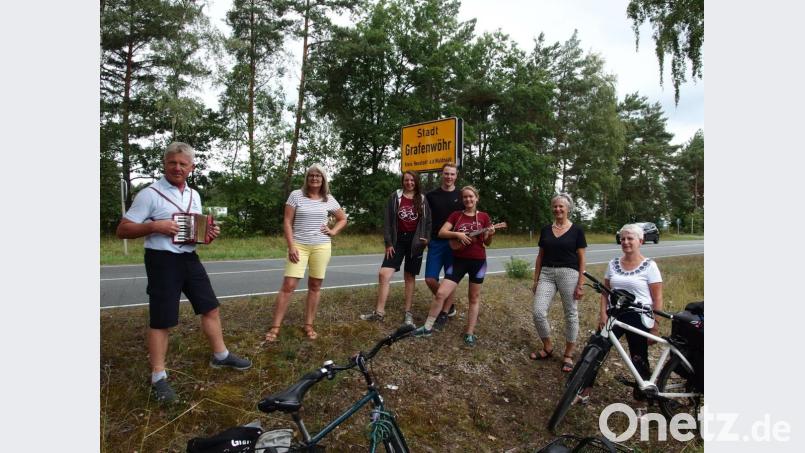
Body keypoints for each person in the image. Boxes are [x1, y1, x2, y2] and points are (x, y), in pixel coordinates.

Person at [116, 142, 252, 404]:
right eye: (172, 162)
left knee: (209, 307)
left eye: (183, 164)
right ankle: (158, 376)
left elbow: (193, 232)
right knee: (162, 319)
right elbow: (123, 230)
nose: (177, 168)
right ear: (165, 164)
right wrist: (155, 226)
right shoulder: (150, 194)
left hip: (189, 258)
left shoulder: (194, 195)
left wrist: (207, 235)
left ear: (191, 167)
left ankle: (220, 356)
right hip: (161, 261)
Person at [264, 164, 348, 342]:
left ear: (323, 179)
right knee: (289, 285)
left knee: (315, 286)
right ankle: (275, 326)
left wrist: (333, 231)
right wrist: (291, 245)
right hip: (299, 246)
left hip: (321, 246)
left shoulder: (329, 199)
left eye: (318, 176)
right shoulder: (296, 195)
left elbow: (342, 218)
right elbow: (287, 221)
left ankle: (308, 324)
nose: (315, 178)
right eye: (311, 175)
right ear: (307, 178)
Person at [413, 186, 496, 347]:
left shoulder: (484, 217)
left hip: (478, 262)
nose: (468, 200)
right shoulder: (456, 215)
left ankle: (469, 333)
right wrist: (457, 234)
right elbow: (442, 233)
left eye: (471, 197)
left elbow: (487, 242)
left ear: (476, 198)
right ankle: (427, 327)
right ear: (462, 199)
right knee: (441, 294)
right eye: (465, 197)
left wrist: (490, 234)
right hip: (458, 261)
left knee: (473, 298)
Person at [360, 171, 431, 325]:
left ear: (416, 181)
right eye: (406, 180)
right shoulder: (395, 197)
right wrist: (389, 243)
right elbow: (388, 221)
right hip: (397, 241)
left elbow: (428, 222)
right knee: (384, 274)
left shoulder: (422, 199)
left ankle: (408, 313)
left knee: (409, 277)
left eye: (412, 180)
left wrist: (426, 239)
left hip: (415, 242)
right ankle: (379, 312)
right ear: (402, 181)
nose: (409, 183)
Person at [530, 193, 587, 373]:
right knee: (538, 311)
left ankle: (568, 354)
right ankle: (548, 347)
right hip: (547, 273)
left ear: (568, 208)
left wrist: (580, 283)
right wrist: (536, 279)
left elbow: (582, 259)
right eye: (555, 206)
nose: (558, 209)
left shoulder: (577, 231)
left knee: (570, 313)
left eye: (561, 206)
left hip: (569, 273)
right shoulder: (546, 230)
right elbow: (540, 256)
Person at [423, 163, 463, 330]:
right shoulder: (431, 195)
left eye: (452, 174)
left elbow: (467, 216)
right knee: (430, 278)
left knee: (450, 278)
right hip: (436, 242)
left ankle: (445, 312)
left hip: (455, 243)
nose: (449, 177)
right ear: (442, 174)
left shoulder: (461, 196)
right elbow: (425, 218)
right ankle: (448, 303)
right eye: (446, 174)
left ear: (456, 176)